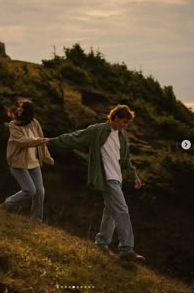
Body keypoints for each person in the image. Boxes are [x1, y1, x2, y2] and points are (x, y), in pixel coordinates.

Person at [42, 104, 145, 261]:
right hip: (106, 177)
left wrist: (134, 176)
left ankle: (101, 243)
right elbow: (75, 137)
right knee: (122, 210)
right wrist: (52, 141)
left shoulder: (122, 136)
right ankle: (126, 249)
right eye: (124, 122)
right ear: (115, 118)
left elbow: (125, 160)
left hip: (117, 178)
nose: (125, 126)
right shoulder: (97, 130)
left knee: (110, 211)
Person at [2, 100, 54, 222]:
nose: (19, 109)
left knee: (40, 192)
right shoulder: (14, 125)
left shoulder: (35, 123)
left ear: (28, 111)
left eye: (22, 108)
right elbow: (22, 141)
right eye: (19, 107)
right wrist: (38, 141)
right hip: (18, 163)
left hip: (34, 163)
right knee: (30, 190)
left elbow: (43, 143)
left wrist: (47, 158)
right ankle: (8, 203)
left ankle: (36, 220)